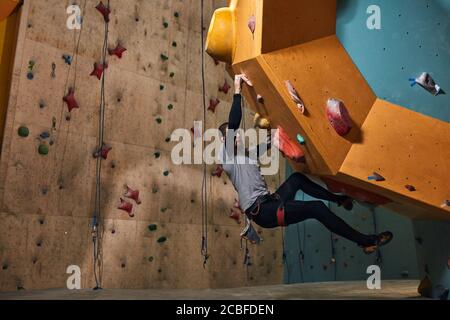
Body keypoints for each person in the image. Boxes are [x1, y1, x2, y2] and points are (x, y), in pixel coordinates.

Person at [218, 74, 393, 254]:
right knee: (316, 209)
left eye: (238, 136)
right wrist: (238, 89)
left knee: (297, 179)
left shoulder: (247, 154)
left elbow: (274, 139)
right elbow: (234, 122)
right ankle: (365, 241)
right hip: (262, 212)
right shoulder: (228, 157)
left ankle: (340, 200)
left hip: (270, 201)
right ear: (226, 140)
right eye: (234, 136)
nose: (238, 137)